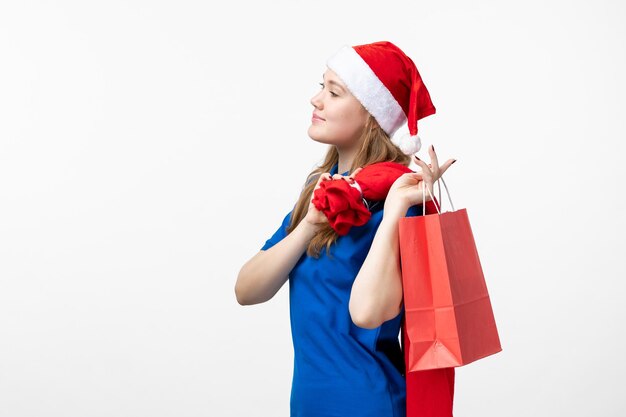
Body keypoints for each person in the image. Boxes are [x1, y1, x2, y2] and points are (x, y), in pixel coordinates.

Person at [235, 41, 457, 417]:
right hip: (309, 405)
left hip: (368, 404)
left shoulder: (402, 202)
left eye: (333, 92)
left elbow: (368, 313)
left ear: (372, 115)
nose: (315, 100)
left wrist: (392, 215)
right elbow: (247, 290)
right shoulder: (320, 193)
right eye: (321, 86)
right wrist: (308, 224)